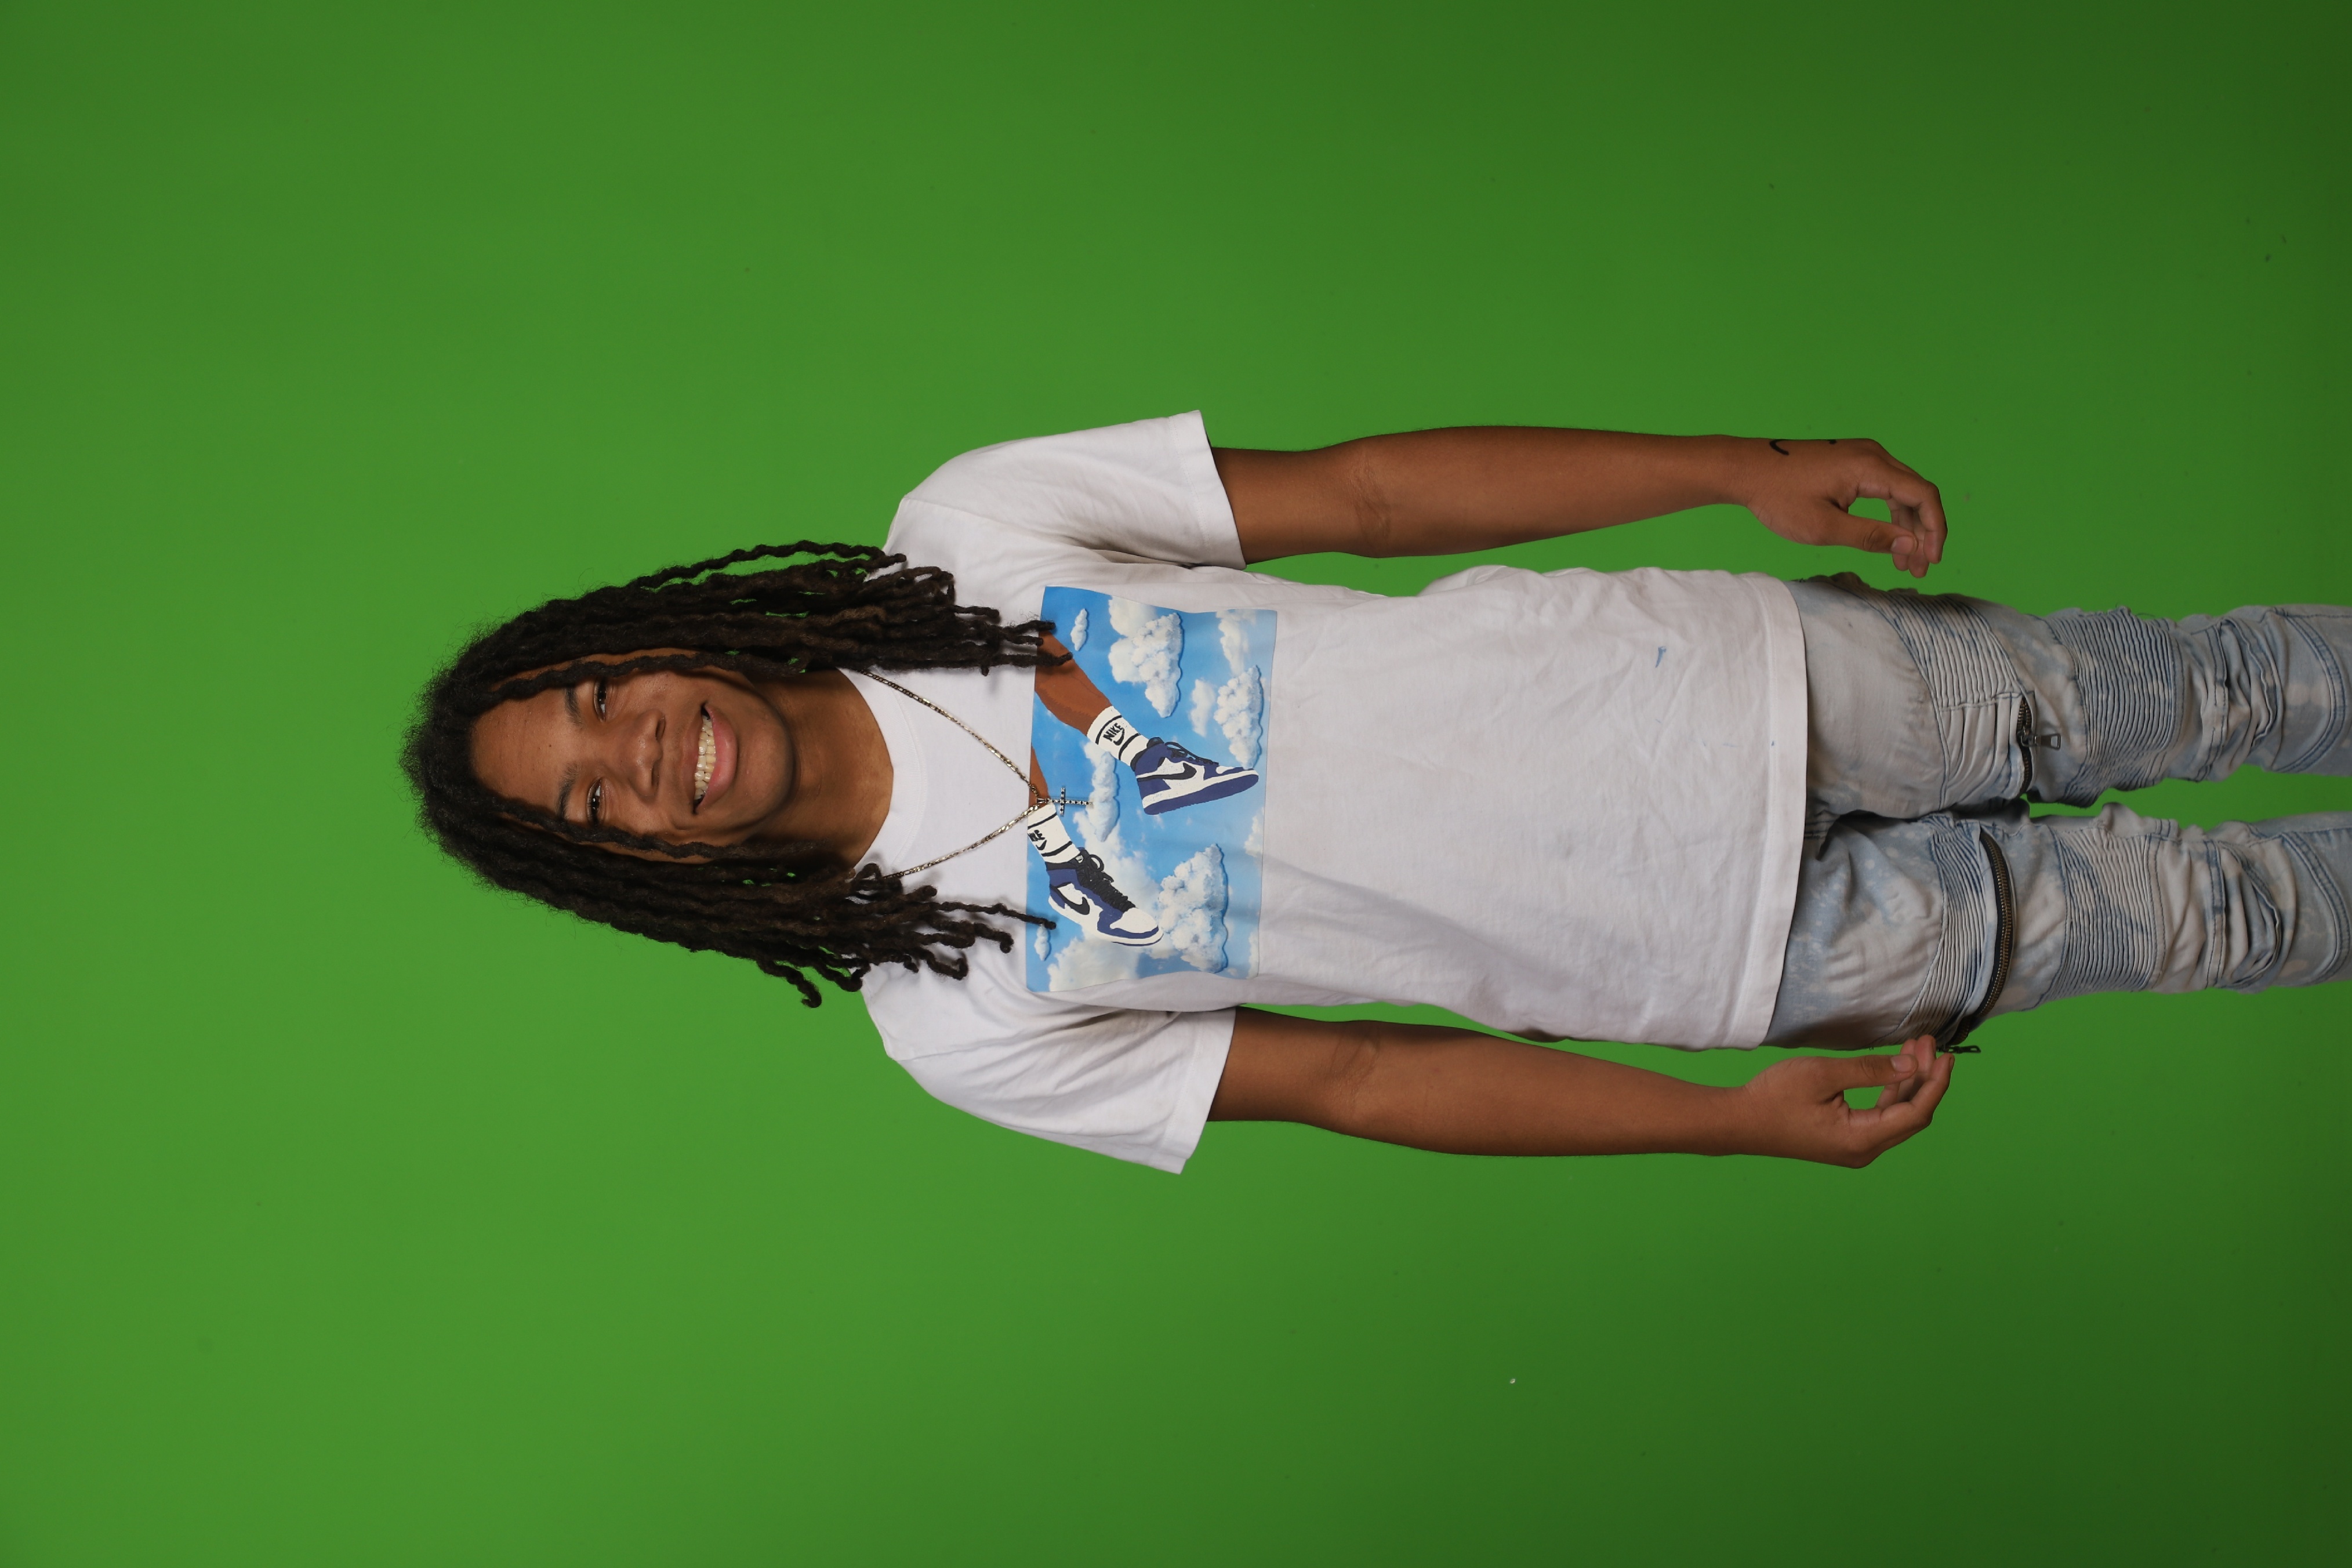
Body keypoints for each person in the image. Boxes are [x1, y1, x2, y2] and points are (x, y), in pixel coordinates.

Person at [406, 415, 2352, 1174]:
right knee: (2226, 916)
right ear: (631, 871)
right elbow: (1360, 1081)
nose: (634, 751)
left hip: (1744, 677)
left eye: (595, 698)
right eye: (590, 806)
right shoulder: (960, 1017)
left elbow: (1370, 495)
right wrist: (1715, 1128)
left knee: (2215, 687)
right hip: (1730, 953)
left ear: (644, 639)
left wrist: (1728, 466)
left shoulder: (967, 538)